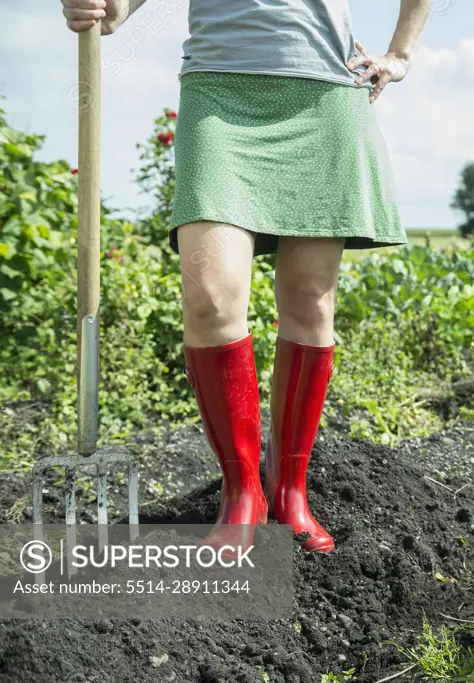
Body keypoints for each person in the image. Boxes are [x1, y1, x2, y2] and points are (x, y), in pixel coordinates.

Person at [63, 0, 430, 552]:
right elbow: (113, 12)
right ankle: (242, 493)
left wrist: (400, 54)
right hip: (219, 96)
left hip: (325, 93)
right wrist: (102, 6)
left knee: (310, 300)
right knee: (209, 297)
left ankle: (290, 492)